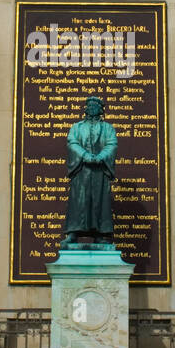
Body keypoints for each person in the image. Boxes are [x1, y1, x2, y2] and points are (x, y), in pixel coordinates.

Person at [60, 96, 117, 245]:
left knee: (99, 202)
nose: (92, 107)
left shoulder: (108, 128)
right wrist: (85, 155)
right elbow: (72, 142)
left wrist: (100, 157)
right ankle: (73, 233)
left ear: (101, 109)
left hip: (99, 171)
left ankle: (99, 234)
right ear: (85, 109)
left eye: (95, 105)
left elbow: (111, 144)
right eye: (89, 105)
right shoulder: (76, 127)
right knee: (78, 203)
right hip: (82, 171)